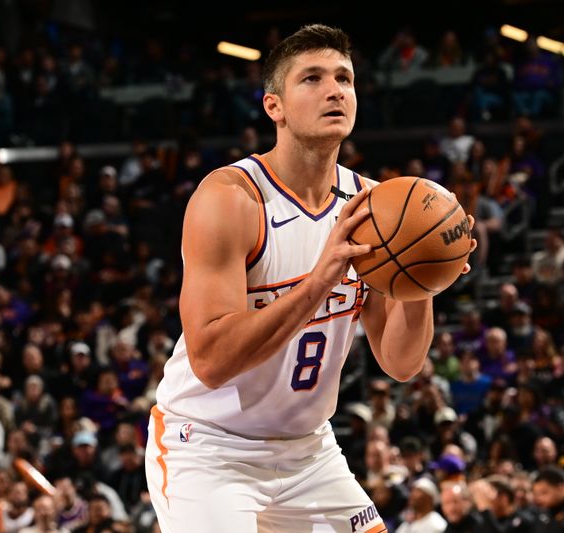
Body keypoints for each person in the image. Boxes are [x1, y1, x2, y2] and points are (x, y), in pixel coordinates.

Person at [144, 24, 474, 533]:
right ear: (274, 106)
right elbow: (210, 360)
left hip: (308, 452)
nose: (335, 89)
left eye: (344, 78)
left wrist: (422, 284)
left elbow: (401, 363)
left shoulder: (376, 209)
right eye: (313, 79)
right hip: (209, 447)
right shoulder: (231, 199)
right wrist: (318, 283)